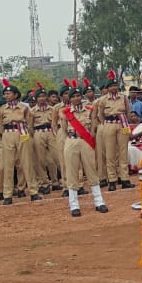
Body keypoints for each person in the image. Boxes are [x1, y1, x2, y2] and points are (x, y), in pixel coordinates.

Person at [59, 88, 107, 217]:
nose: (76, 98)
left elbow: (93, 126)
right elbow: (63, 130)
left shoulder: (89, 110)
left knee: (91, 170)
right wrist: (67, 142)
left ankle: (99, 202)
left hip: (85, 141)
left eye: (78, 95)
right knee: (72, 172)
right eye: (73, 96)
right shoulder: (65, 112)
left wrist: (90, 137)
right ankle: (74, 205)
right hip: (72, 140)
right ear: (70, 98)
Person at [0, 81, 35, 203]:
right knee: (8, 165)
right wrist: (4, 136)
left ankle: (33, 191)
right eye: (5, 94)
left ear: (16, 95)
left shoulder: (24, 108)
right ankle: (7, 195)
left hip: (22, 133)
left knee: (26, 163)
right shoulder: (1, 109)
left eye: (9, 93)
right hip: (8, 134)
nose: (6, 95)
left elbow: (29, 123)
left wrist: (28, 134)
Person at [92, 73, 132, 191]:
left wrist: (127, 127)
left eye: (115, 85)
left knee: (123, 152)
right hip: (109, 124)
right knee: (110, 153)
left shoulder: (123, 97)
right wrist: (105, 124)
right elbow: (100, 115)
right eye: (111, 86)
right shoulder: (102, 100)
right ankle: (112, 180)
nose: (114, 88)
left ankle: (125, 178)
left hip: (122, 123)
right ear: (108, 88)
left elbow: (128, 112)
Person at [30, 90, 59, 197]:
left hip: (51, 132)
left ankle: (61, 182)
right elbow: (30, 126)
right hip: (38, 133)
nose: (41, 98)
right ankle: (45, 183)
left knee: (57, 157)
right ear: (36, 98)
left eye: (43, 96)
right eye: (39, 96)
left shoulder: (53, 109)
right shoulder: (32, 111)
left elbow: (56, 122)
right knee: (40, 159)